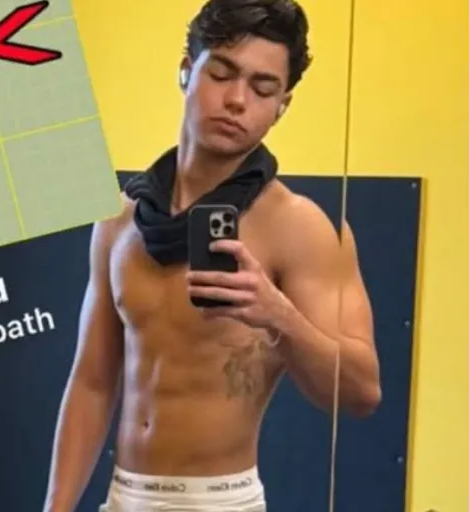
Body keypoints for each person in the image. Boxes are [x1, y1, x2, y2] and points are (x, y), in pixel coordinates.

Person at [43, 1, 381, 510]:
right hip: (124, 496)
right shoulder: (119, 219)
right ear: (187, 70)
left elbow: (361, 391)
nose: (237, 100)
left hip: (220, 500)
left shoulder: (300, 226)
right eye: (222, 74)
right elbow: (92, 381)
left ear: (283, 105)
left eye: (262, 88)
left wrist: (278, 316)